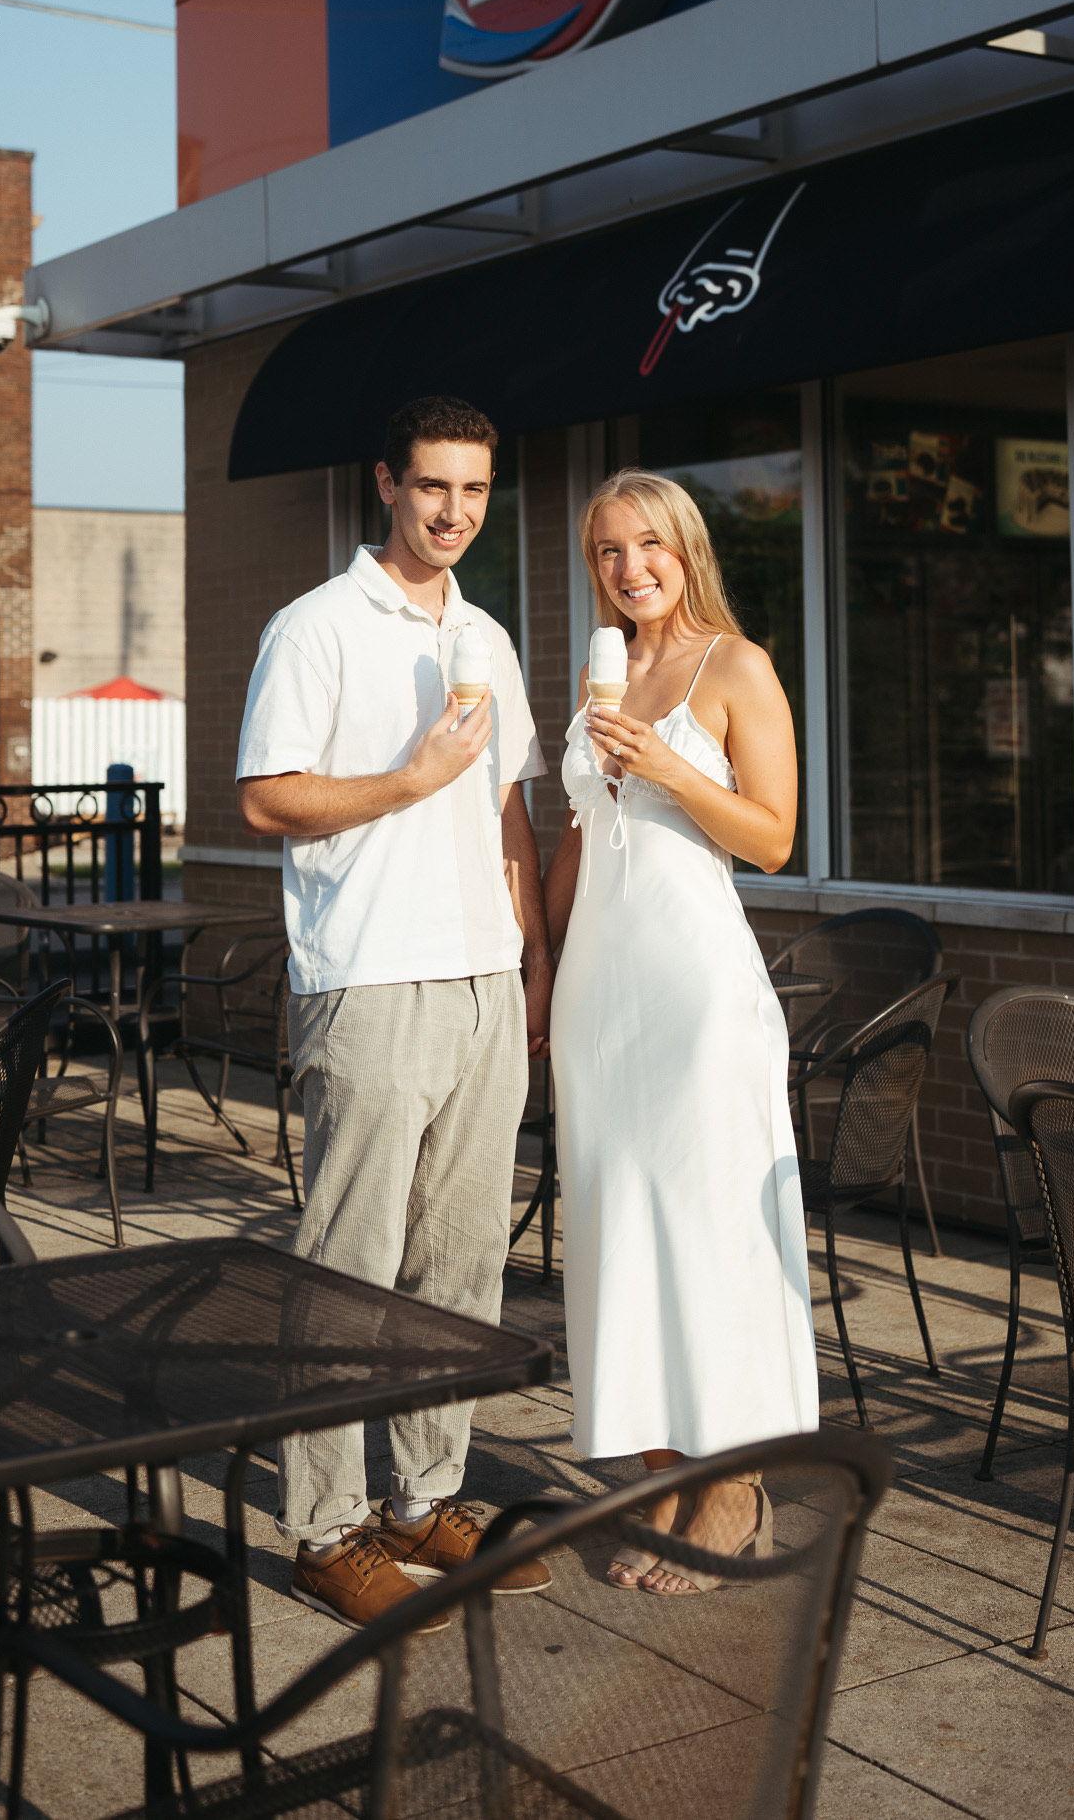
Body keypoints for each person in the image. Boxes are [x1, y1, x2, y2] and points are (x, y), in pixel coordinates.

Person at [236, 394, 555, 1626]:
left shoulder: (487, 632)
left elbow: (511, 811)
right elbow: (267, 800)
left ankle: (424, 1498)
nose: (454, 512)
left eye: (474, 491)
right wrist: (407, 779)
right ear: (388, 482)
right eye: (434, 487)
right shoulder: (316, 626)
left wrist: (528, 962)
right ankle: (323, 1523)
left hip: (480, 978)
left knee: (461, 1261)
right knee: (348, 1264)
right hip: (367, 976)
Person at [542, 469, 819, 1593]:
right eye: (607, 551)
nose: (628, 568)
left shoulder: (734, 666)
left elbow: (773, 839)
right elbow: (579, 837)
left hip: (696, 994)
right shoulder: (601, 672)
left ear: (685, 548)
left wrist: (663, 765)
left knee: (709, 1234)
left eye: (647, 545)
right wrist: (541, 964)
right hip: (598, 992)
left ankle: (736, 1483)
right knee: (617, 1226)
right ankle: (660, 1468)